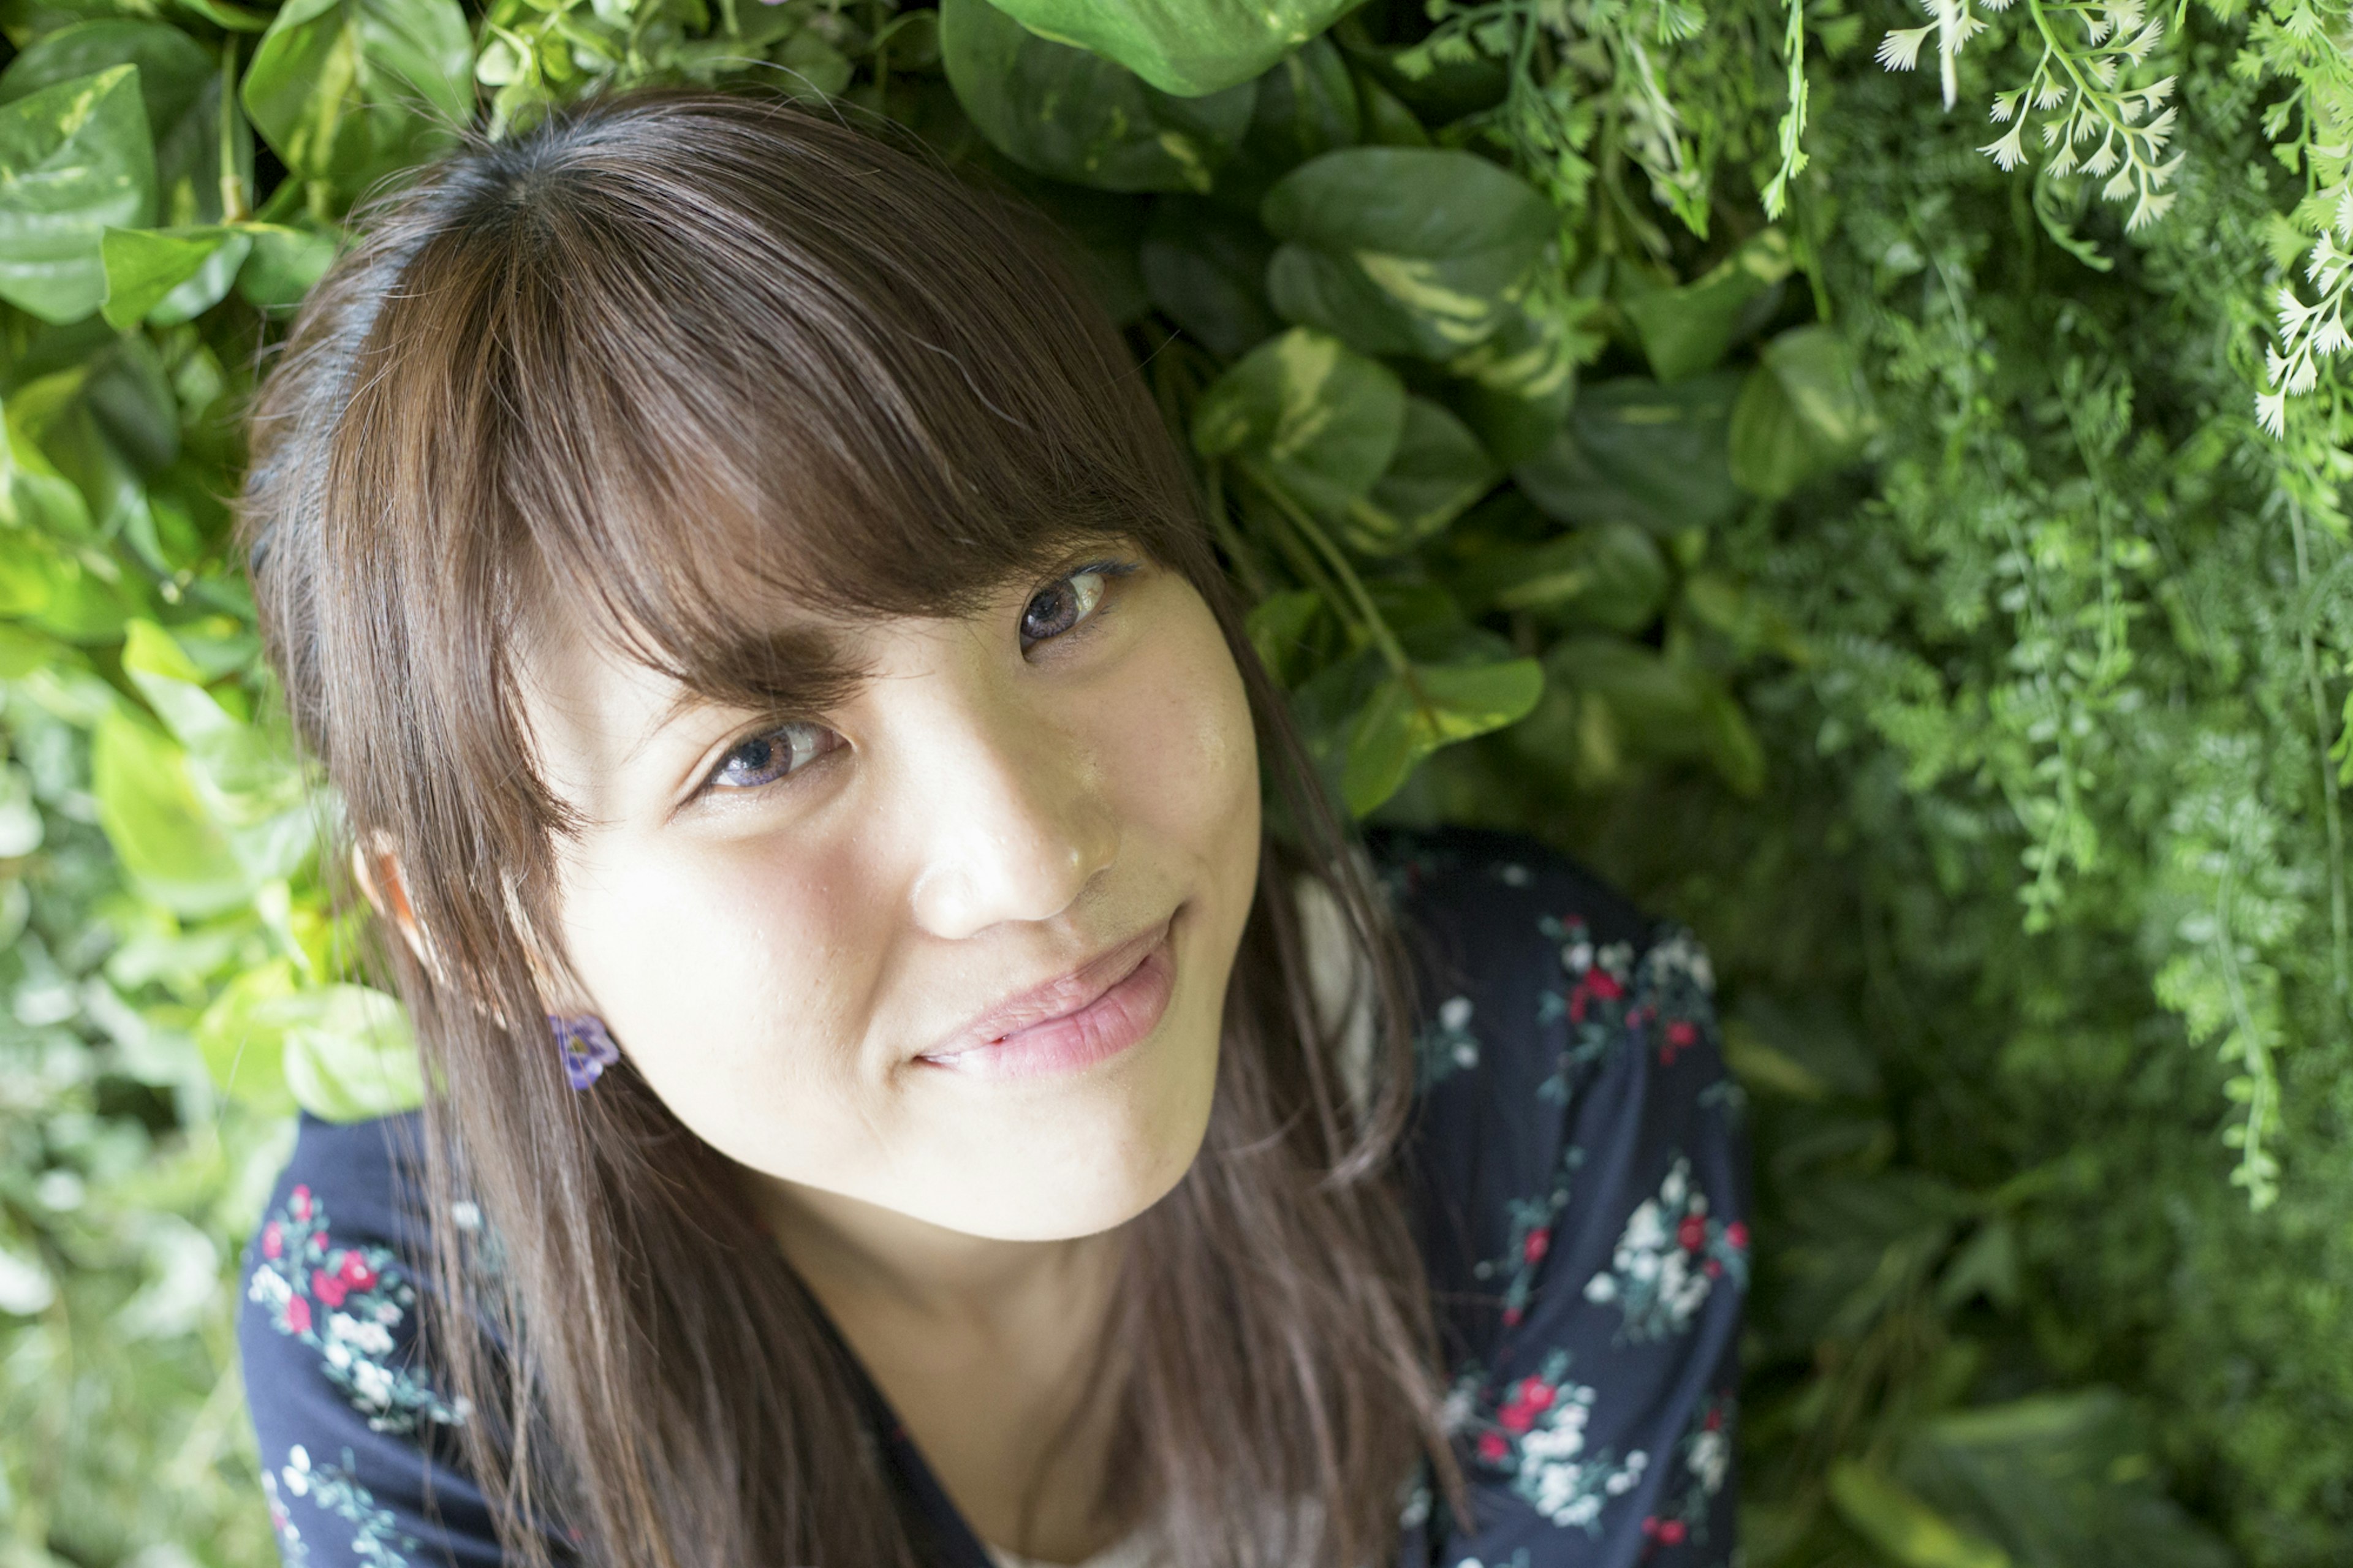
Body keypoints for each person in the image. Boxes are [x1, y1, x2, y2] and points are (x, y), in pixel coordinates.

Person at [230, 86, 1751, 1568]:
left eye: (1061, 601)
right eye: (762, 752)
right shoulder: (421, 1340)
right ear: (488, 929)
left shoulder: (1536, 1060)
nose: (1032, 855)